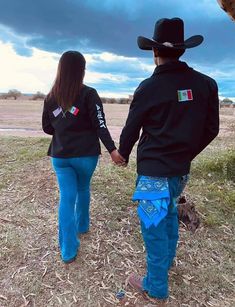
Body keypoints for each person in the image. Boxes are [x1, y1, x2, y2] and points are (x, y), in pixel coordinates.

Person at [118, 18, 219, 303]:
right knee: (170, 215)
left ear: (154, 51)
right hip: (180, 171)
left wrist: (122, 155)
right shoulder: (207, 85)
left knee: (153, 228)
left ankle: (156, 286)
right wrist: (185, 153)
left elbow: (131, 130)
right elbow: (211, 129)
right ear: (183, 50)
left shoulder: (148, 88)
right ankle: (165, 264)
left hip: (152, 174)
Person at [42, 51, 125, 263]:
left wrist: (64, 129)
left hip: (60, 156)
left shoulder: (51, 98)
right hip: (86, 155)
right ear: (82, 70)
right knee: (83, 188)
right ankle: (82, 225)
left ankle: (68, 250)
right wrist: (113, 150)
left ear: (60, 69)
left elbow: (46, 128)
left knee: (66, 198)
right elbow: (101, 125)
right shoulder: (89, 94)